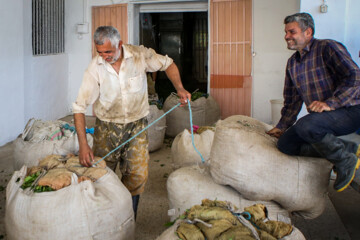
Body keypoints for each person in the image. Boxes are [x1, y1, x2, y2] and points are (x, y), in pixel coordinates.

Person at [72, 26, 191, 218]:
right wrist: (84, 145)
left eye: (108, 51)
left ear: (119, 44)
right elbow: (79, 107)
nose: (104, 56)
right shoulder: (96, 67)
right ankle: (104, 218)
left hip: (136, 128)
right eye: (100, 52)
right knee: (101, 175)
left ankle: (129, 218)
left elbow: (168, 64)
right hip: (106, 129)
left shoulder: (139, 55)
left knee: (137, 176)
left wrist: (180, 88)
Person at [266, 13, 360, 192]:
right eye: (286, 32)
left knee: (307, 125)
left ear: (308, 32)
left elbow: (355, 77)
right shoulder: (292, 63)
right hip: (325, 117)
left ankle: (344, 159)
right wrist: (282, 125)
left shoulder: (328, 47)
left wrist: (332, 103)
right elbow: (292, 100)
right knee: (286, 144)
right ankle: (346, 148)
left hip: (351, 110)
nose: (286, 36)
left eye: (291, 31)